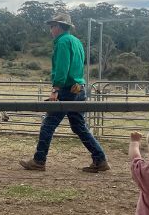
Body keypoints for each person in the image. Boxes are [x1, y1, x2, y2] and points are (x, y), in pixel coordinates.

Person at [19, 13, 109, 172]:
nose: (51, 30)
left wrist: (55, 89)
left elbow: (62, 67)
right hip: (79, 89)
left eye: (52, 26)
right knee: (79, 126)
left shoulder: (62, 42)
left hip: (66, 90)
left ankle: (39, 161)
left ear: (59, 27)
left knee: (48, 125)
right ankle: (100, 159)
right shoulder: (76, 41)